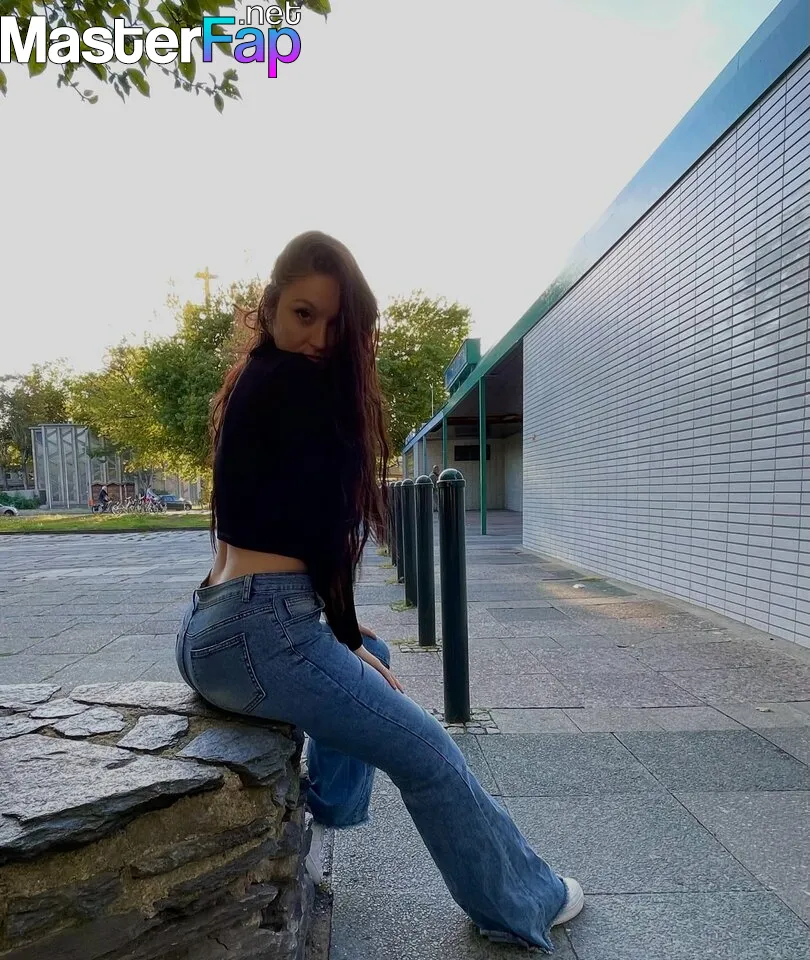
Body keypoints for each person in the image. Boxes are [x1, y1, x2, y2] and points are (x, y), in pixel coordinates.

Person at [174, 231, 583, 952]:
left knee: (376, 653)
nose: (319, 338)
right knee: (428, 754)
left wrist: (343, 634)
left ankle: (320, 818)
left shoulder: (253, 379)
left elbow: (275, 526)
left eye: (336, 324)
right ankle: (519, 903)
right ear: (269, 307)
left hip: (209, 630)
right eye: (304, 314)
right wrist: (334, 634)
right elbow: (321, 536)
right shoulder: (301, 389)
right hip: (263, 634)